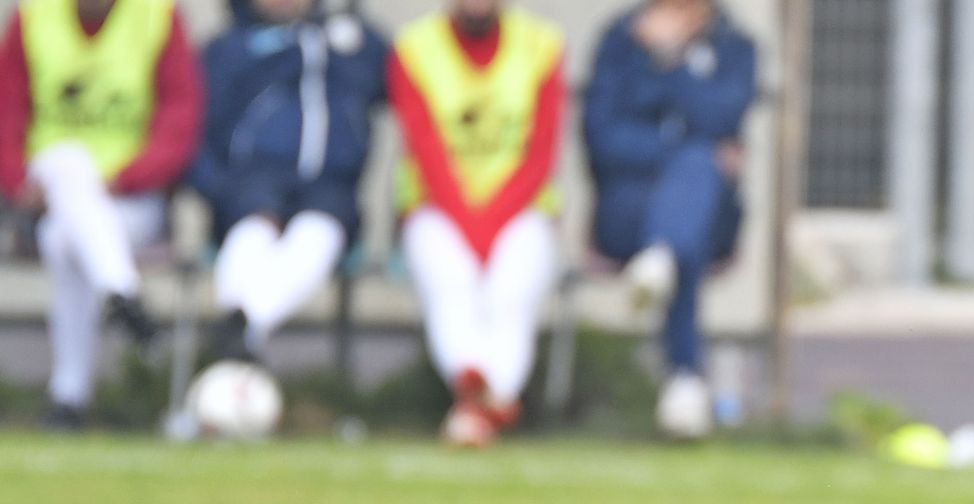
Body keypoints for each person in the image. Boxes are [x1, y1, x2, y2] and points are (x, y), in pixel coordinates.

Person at [0, 0, 200, 427]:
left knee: (64, 238)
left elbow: (181, 118)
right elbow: (7, 113)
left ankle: (68, 396)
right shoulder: (34, 15)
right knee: (69, 160)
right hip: (46, 194)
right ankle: (122, 294)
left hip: (130, 203)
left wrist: (125, 178)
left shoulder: (157, 15)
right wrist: (20, 184)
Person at [388, 0, 563, 447]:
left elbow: (540, 154)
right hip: (437, 208)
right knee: (453, 281)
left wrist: (492, 222)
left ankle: (483, 401)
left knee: (510, 289)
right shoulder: (414, 48)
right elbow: (425, 150)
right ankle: (482, 396)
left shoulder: (542, 46)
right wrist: (471, 225)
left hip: (521, 209)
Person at [583, 0, 753, 438]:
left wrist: (672, 60)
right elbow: (603, 139)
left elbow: (724, 115)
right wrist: (686, 153)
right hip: (626, 213)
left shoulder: (736, 46)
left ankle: (660, 260)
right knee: (696, 177)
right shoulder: (620, 41)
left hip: (712, 221)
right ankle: (685, 377)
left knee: (690, 205)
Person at [189, 0, 387, 367]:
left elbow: (386, 85)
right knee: (254, 224)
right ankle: (241, 332)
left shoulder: (350, 41)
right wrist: (217, 190)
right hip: (251, 179)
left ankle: (242, 329)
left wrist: (351, 36)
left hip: (332, 183)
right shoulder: (230, 47)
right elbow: (197, 128)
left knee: (319, 228)